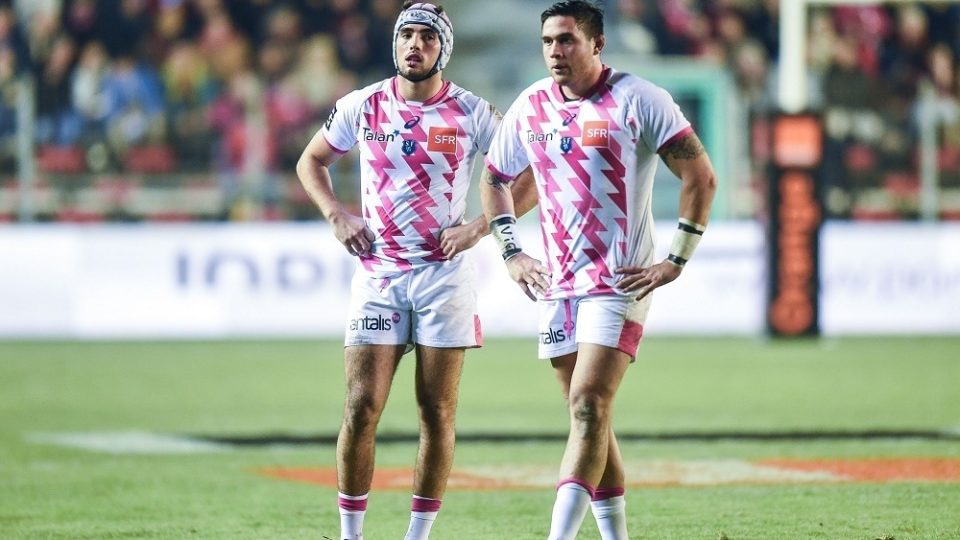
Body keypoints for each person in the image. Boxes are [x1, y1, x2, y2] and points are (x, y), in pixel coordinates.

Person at [296, 3, 535, 539]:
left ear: (442, 49)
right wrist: (337, 214)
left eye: (427, 37)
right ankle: (351, 535)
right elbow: (310, 161)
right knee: (362, 406)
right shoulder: (362, 106)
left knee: (436, 411)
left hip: (443, 278)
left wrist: (479, 228)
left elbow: (530, 176)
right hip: (379, 276)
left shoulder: (473, 113)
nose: (414, 45)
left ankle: (417, 535)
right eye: (407, 35)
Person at [480, 1, 717, 539]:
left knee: (589, 404)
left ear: (597, 44)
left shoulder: (640, 99)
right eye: (547, 42)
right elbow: (494, 178)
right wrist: (513, 253)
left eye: (566, 40)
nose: (555, 52)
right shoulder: (531, 105)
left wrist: (676, 259)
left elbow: (700, 176)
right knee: (589, 417)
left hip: (620, 280)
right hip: (556, 283)